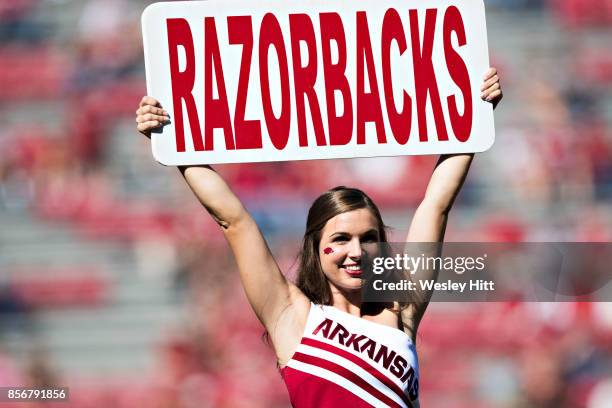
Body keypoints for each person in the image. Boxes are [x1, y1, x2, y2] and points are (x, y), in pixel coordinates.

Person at [136, 68, 503, 408]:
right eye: (341, 238)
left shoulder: (401, 309)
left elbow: (436, 204)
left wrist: (474, 113)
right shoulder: (289, 315)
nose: (356, 251)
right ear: (315, 247)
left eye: (368, 238)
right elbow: (234, 221)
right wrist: (173, 143)